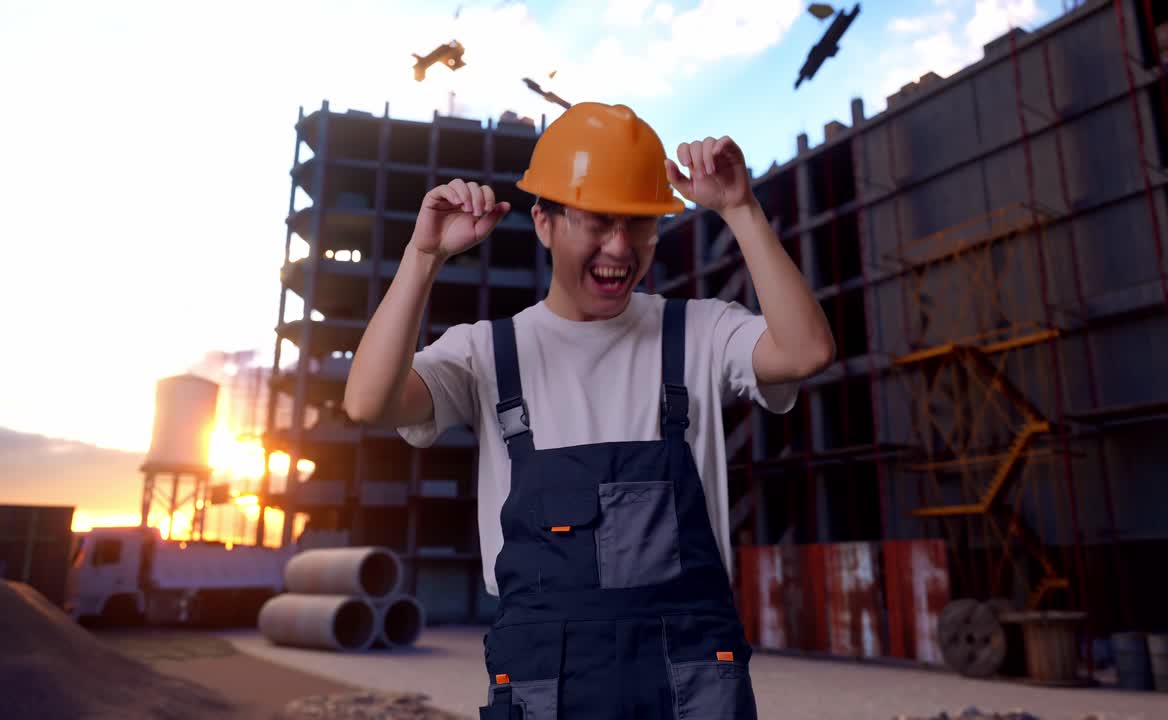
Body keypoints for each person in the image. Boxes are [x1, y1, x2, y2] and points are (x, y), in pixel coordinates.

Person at [344, 102, 835, 720]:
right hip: (545, 680)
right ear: (544, 221)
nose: (620, 248)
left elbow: (807, 350)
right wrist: (423, 258)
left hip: (691, 679)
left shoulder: (700, 334)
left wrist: (741, 208)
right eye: (599, 222)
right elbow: (367, 401)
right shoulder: (488, 352)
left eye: (640, 225)